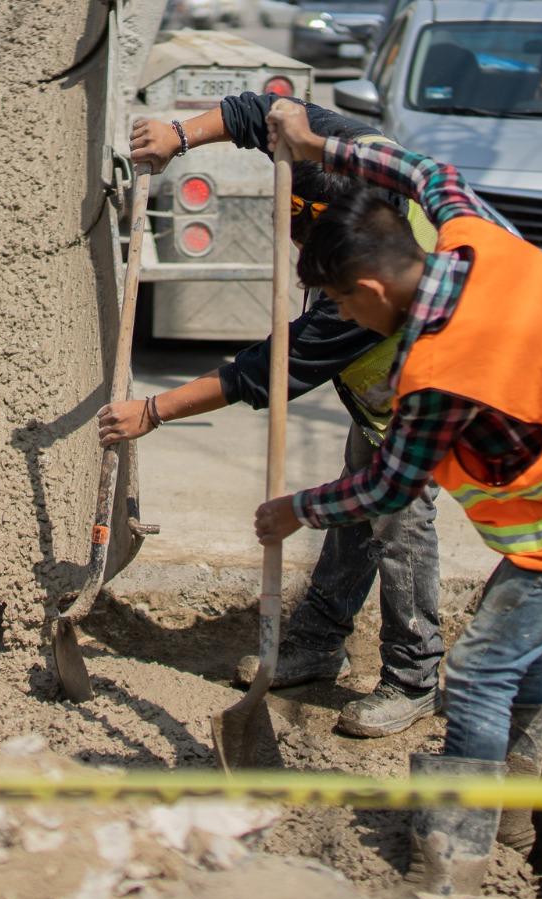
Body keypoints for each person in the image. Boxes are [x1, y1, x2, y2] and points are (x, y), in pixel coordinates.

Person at [258, 99, 542, 894]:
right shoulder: (471, 236)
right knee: (515, 645)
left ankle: (457, 856)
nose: (344, 318)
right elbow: (423, 170)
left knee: (482, 668)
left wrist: (295, 510)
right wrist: (325, 146)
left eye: (344, 303)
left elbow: (389, 484)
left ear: (374, 286)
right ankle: (517, 809)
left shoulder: (439, 373)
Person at [113, 95, 445, 739]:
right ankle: (319, 640)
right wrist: (180, 135)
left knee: (399, 519)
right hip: (379, 393)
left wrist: (153, 411)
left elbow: (263, 371)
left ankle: (414, 677)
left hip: (417, 402)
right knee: (358, 506)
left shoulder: (370, 302)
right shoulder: (352, 147)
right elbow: (260, 110)